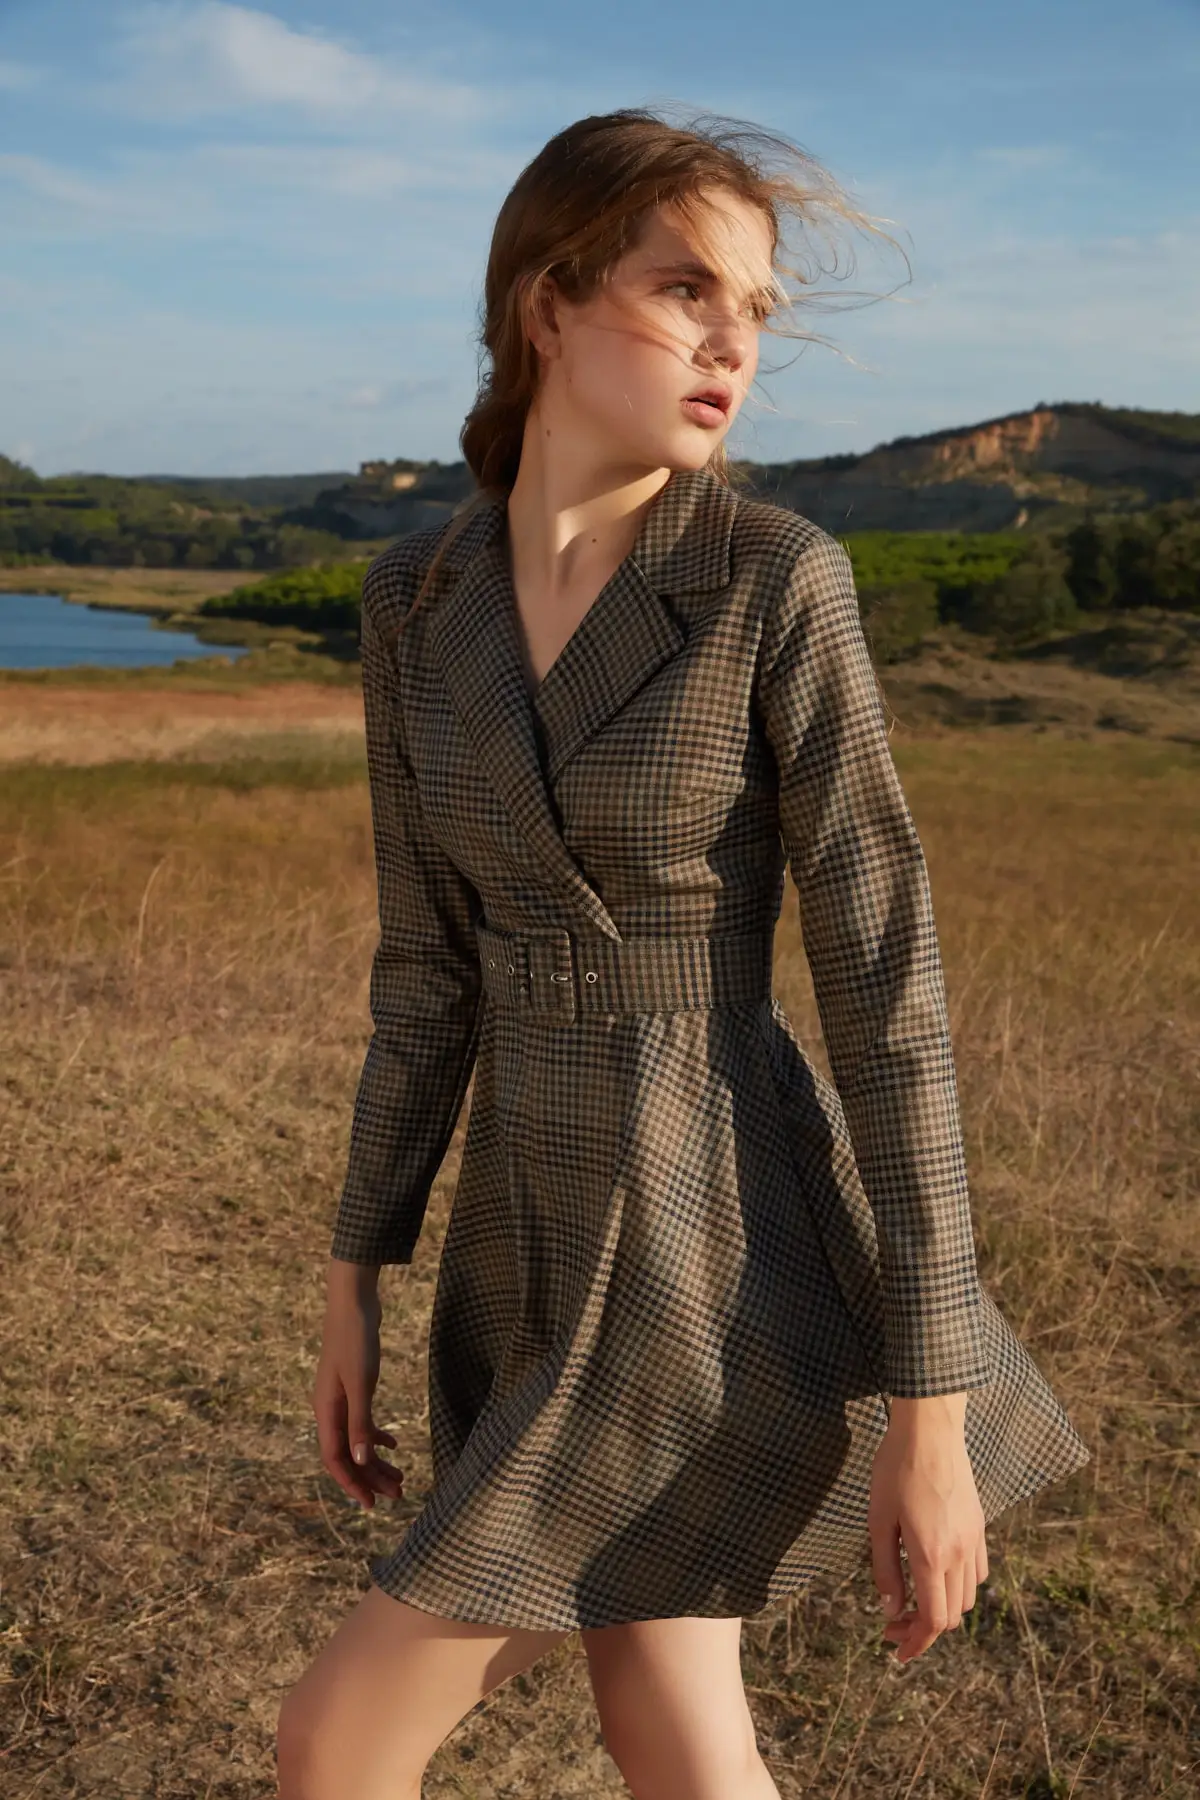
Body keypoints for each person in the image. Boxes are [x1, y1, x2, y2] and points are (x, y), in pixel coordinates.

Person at [276, 108, 1089, 1800]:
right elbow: (424, 972)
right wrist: (358, 1266)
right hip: (526, 1219)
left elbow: (888, 996)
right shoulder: (413, 601)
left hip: (707, 1228)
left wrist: (931, 1416)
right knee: (678, 1728)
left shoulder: (773, 579)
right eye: (684, 290)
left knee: (336, 1739)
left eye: (755, 311)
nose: (733, 344)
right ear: (548, 303)